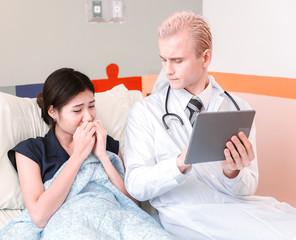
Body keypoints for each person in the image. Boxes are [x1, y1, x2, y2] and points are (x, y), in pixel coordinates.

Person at [124, 10, 296, 240]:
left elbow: (248, 188)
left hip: (238, 208)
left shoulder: (236, 108)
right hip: (188, 216)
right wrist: (179, 164)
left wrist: (232, 172)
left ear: (205, 58)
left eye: (177, 60)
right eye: (163, 59)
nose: (168, 70)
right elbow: (135, 185)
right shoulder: (146, 112)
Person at [0, 68, 176, 240]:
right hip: (70, 223)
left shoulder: (107, 143)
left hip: (116, 218)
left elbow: (132, 203)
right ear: (53, 112)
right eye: (77, 110)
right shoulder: (31, 151)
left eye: (91, 106)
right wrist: (78, 156)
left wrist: (103, 156)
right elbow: (39, 216)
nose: (88, 116)